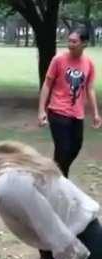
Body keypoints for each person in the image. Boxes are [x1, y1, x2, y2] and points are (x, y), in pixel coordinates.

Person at [38, 27, 101, 178]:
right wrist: (41, 110)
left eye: (74, 41)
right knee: (63, 149)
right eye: (69, 41)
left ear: (84, 43)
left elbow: (90, 89)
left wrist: (96, 114)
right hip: (58, 111)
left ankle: (53, 173)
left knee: (76, 147)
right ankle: (60, 180)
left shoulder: (89, 64)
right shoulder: (58, 60)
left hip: (77, 114)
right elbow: (47, 85)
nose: (70, 44)